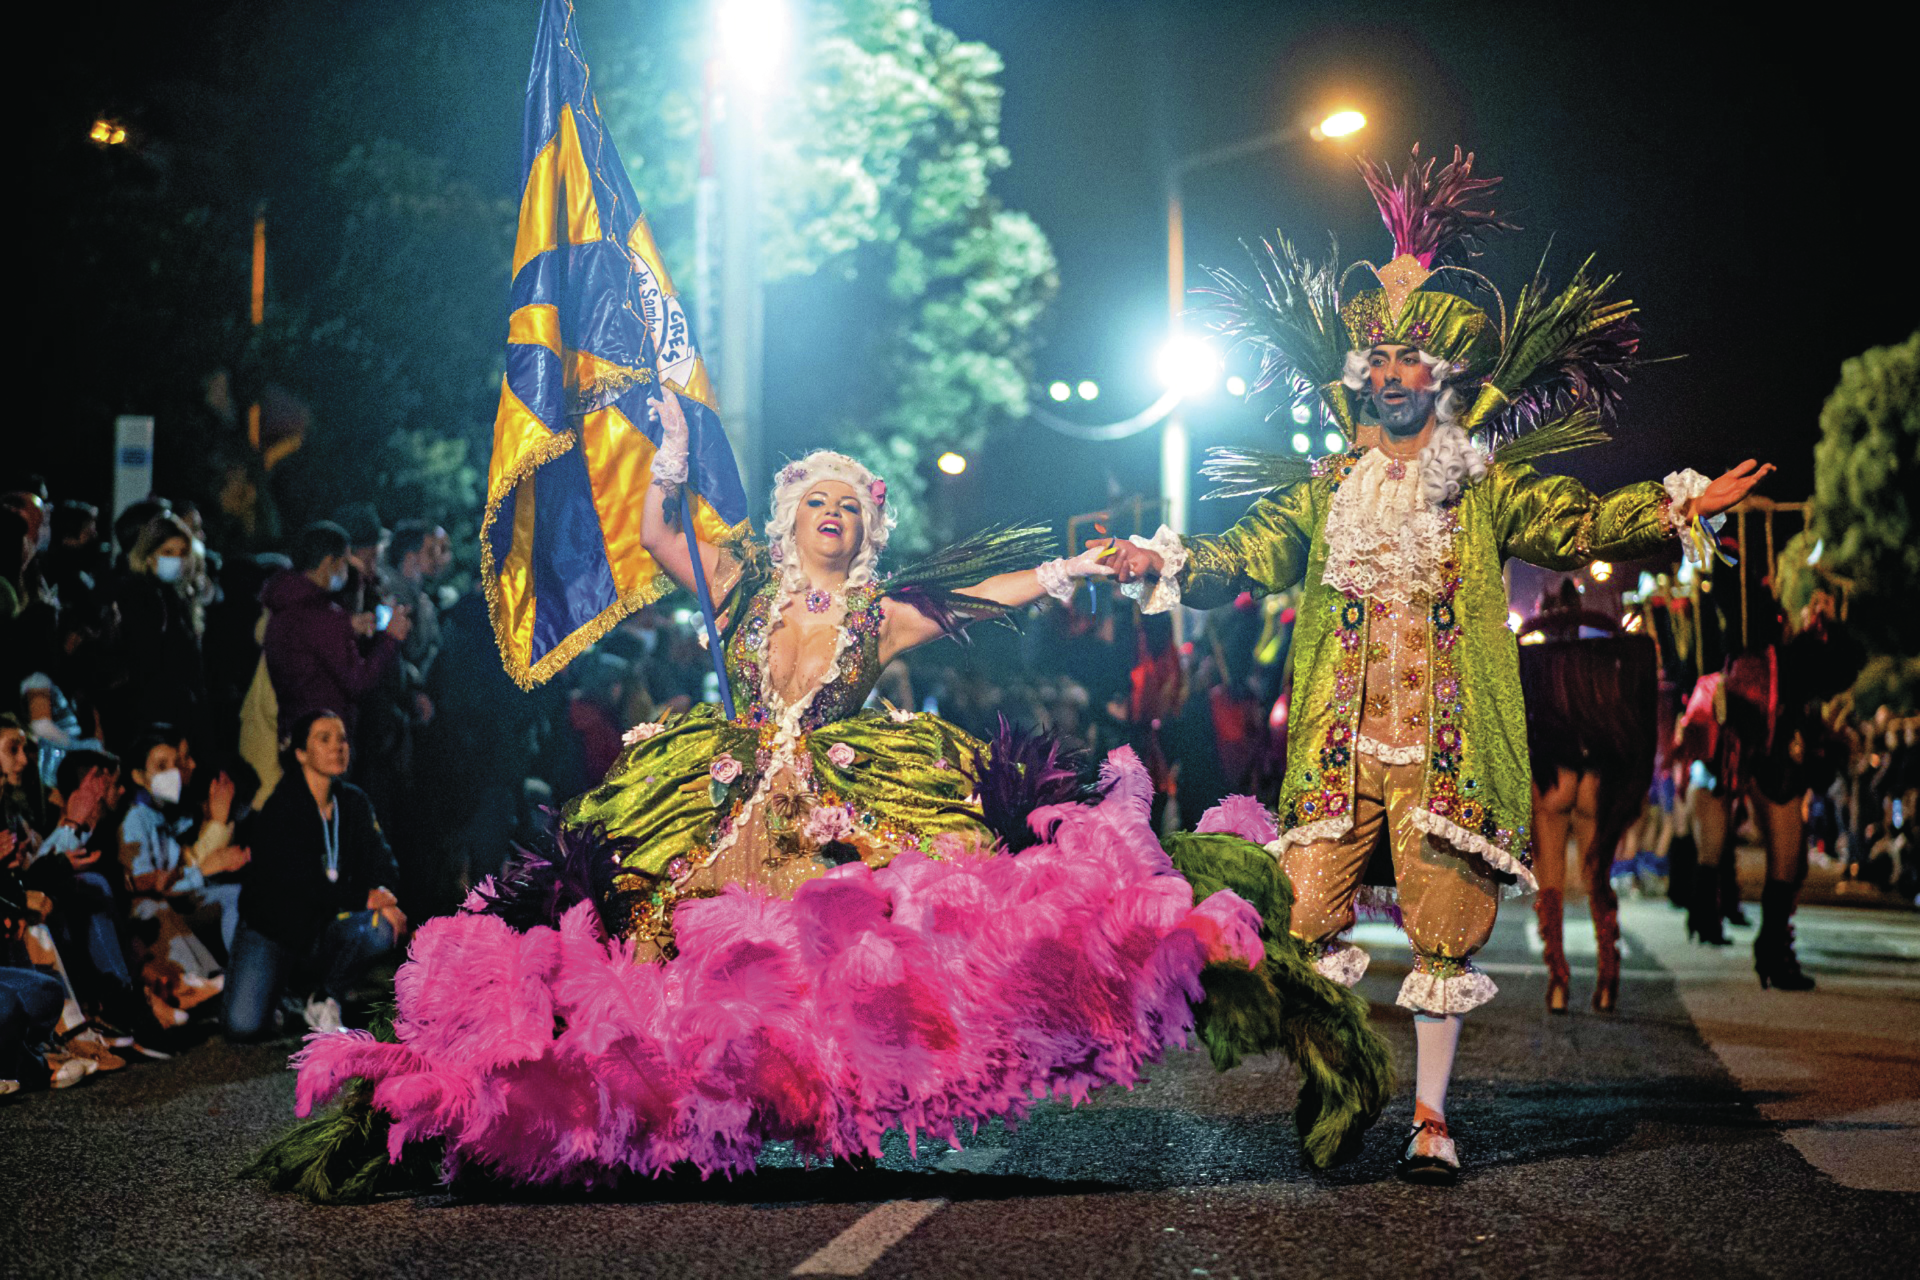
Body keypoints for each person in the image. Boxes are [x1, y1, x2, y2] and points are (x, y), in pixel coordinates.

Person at [275, 408, 1393, 1199]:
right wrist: (666, 455)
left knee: (845, 957)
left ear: (868, 528)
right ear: (786, 520)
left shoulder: (880, 614)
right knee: (658, 939)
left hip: (843, 791)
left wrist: (1072, 570)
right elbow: (662, 537)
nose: (834, 517)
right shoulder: (746, 587)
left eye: (850, 507)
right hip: (722, 781)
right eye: (817, 502)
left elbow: (981, 597)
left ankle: (830, 1102)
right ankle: (624, 1108)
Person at [1101, 146, 1772, 1183]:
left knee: (1442, 935)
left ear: (1443, 379)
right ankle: (1338, 1080)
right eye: (1375, 359)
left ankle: (1429, 1118)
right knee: (1308, 911)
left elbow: (1583, 519)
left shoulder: (1484, 483)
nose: (1386, 371)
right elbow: (1249, 552)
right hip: (1339, 742)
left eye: (1406, 360)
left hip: (1446, 748)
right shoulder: (1330, 486)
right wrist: (1162, 557)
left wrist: (1681, 504)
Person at [1517, 583, 1658, 1013]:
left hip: (1552, 776)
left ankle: (1558, 980)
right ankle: (1608, 975)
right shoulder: (1601, 664)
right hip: (1594, 777)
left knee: (1552, 883)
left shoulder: (1535, 663)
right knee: (1597, 878)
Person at [224, 710, 405, 1040]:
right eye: (324, 739)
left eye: (342, 739)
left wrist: (383, 896)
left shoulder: (353, 802)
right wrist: (364, 897)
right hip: (274, 929)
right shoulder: (281, 807)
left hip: (324, 922)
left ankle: (325, 997)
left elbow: (384, 863)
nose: (337, 747)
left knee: (381, 927)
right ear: (300, 753)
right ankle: (286, 991)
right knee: (242, 1027)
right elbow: (297, 884)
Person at [259, 522, 411, 746]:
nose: (349, 569)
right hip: (324, 742)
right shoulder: (321, 616)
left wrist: (347, 627)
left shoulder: (285, 603)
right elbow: (358, 680)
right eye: (345, 561)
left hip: (294, 732)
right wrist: (390, 639)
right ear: (329, 562)